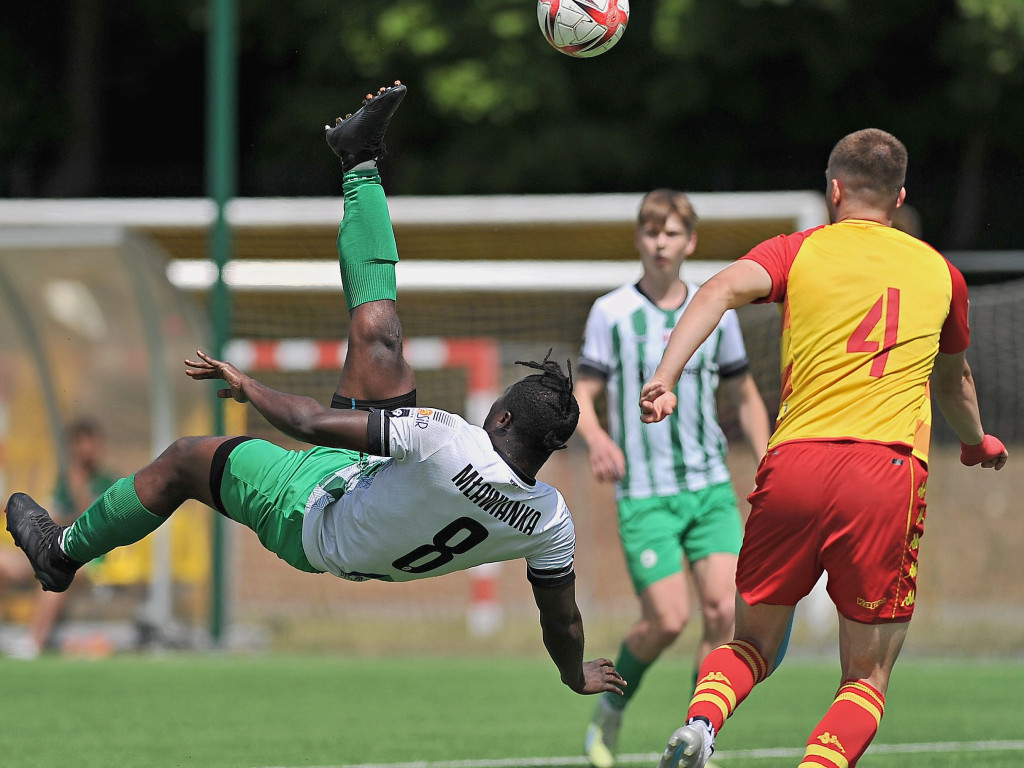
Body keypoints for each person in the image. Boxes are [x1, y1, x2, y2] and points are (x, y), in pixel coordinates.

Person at [3, 81, 625, 699]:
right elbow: (562, 619)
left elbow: (307, 424)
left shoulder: (449, 442)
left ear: (504, 419)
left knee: (185, 460)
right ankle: (359, 159)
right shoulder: (552, 521)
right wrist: (574, 673)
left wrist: (249, 386)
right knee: (378, 335)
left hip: (311, 519)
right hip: (372, 486)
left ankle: (62, 552)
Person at [640, 128, 1008, 768]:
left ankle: (701, 723)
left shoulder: (799, 249)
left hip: (795, 464)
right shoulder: (942, 274)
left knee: (750, 643)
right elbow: (955, 382)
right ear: (900, 197)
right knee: (866, 674)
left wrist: (665, 378)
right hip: (885, 472)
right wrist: (977, 443)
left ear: (834, 190)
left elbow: (717, 289)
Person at [576, 190, 771, 768]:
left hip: (709, 488)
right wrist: (598, 439)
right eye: (651, 232)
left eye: (672, 233)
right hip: (645, 494)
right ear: (639, 239)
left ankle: (698, 737)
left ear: (690, 242)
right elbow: (583, 393)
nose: (661, 243)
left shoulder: (717, 309)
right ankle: (610, 709)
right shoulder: (611, 312)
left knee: (723, 613)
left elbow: (744, 393)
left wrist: (769, 459)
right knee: (667, 619)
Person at [0, 419, 116, 659]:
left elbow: (94, 520)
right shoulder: (63, 484)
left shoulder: (109, 483)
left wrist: (78, 488)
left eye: (88, 442)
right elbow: (52, 517)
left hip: (93, 560)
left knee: (57, 569)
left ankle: (34, 641)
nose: (84, 449)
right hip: (58, 546)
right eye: (78, 443)